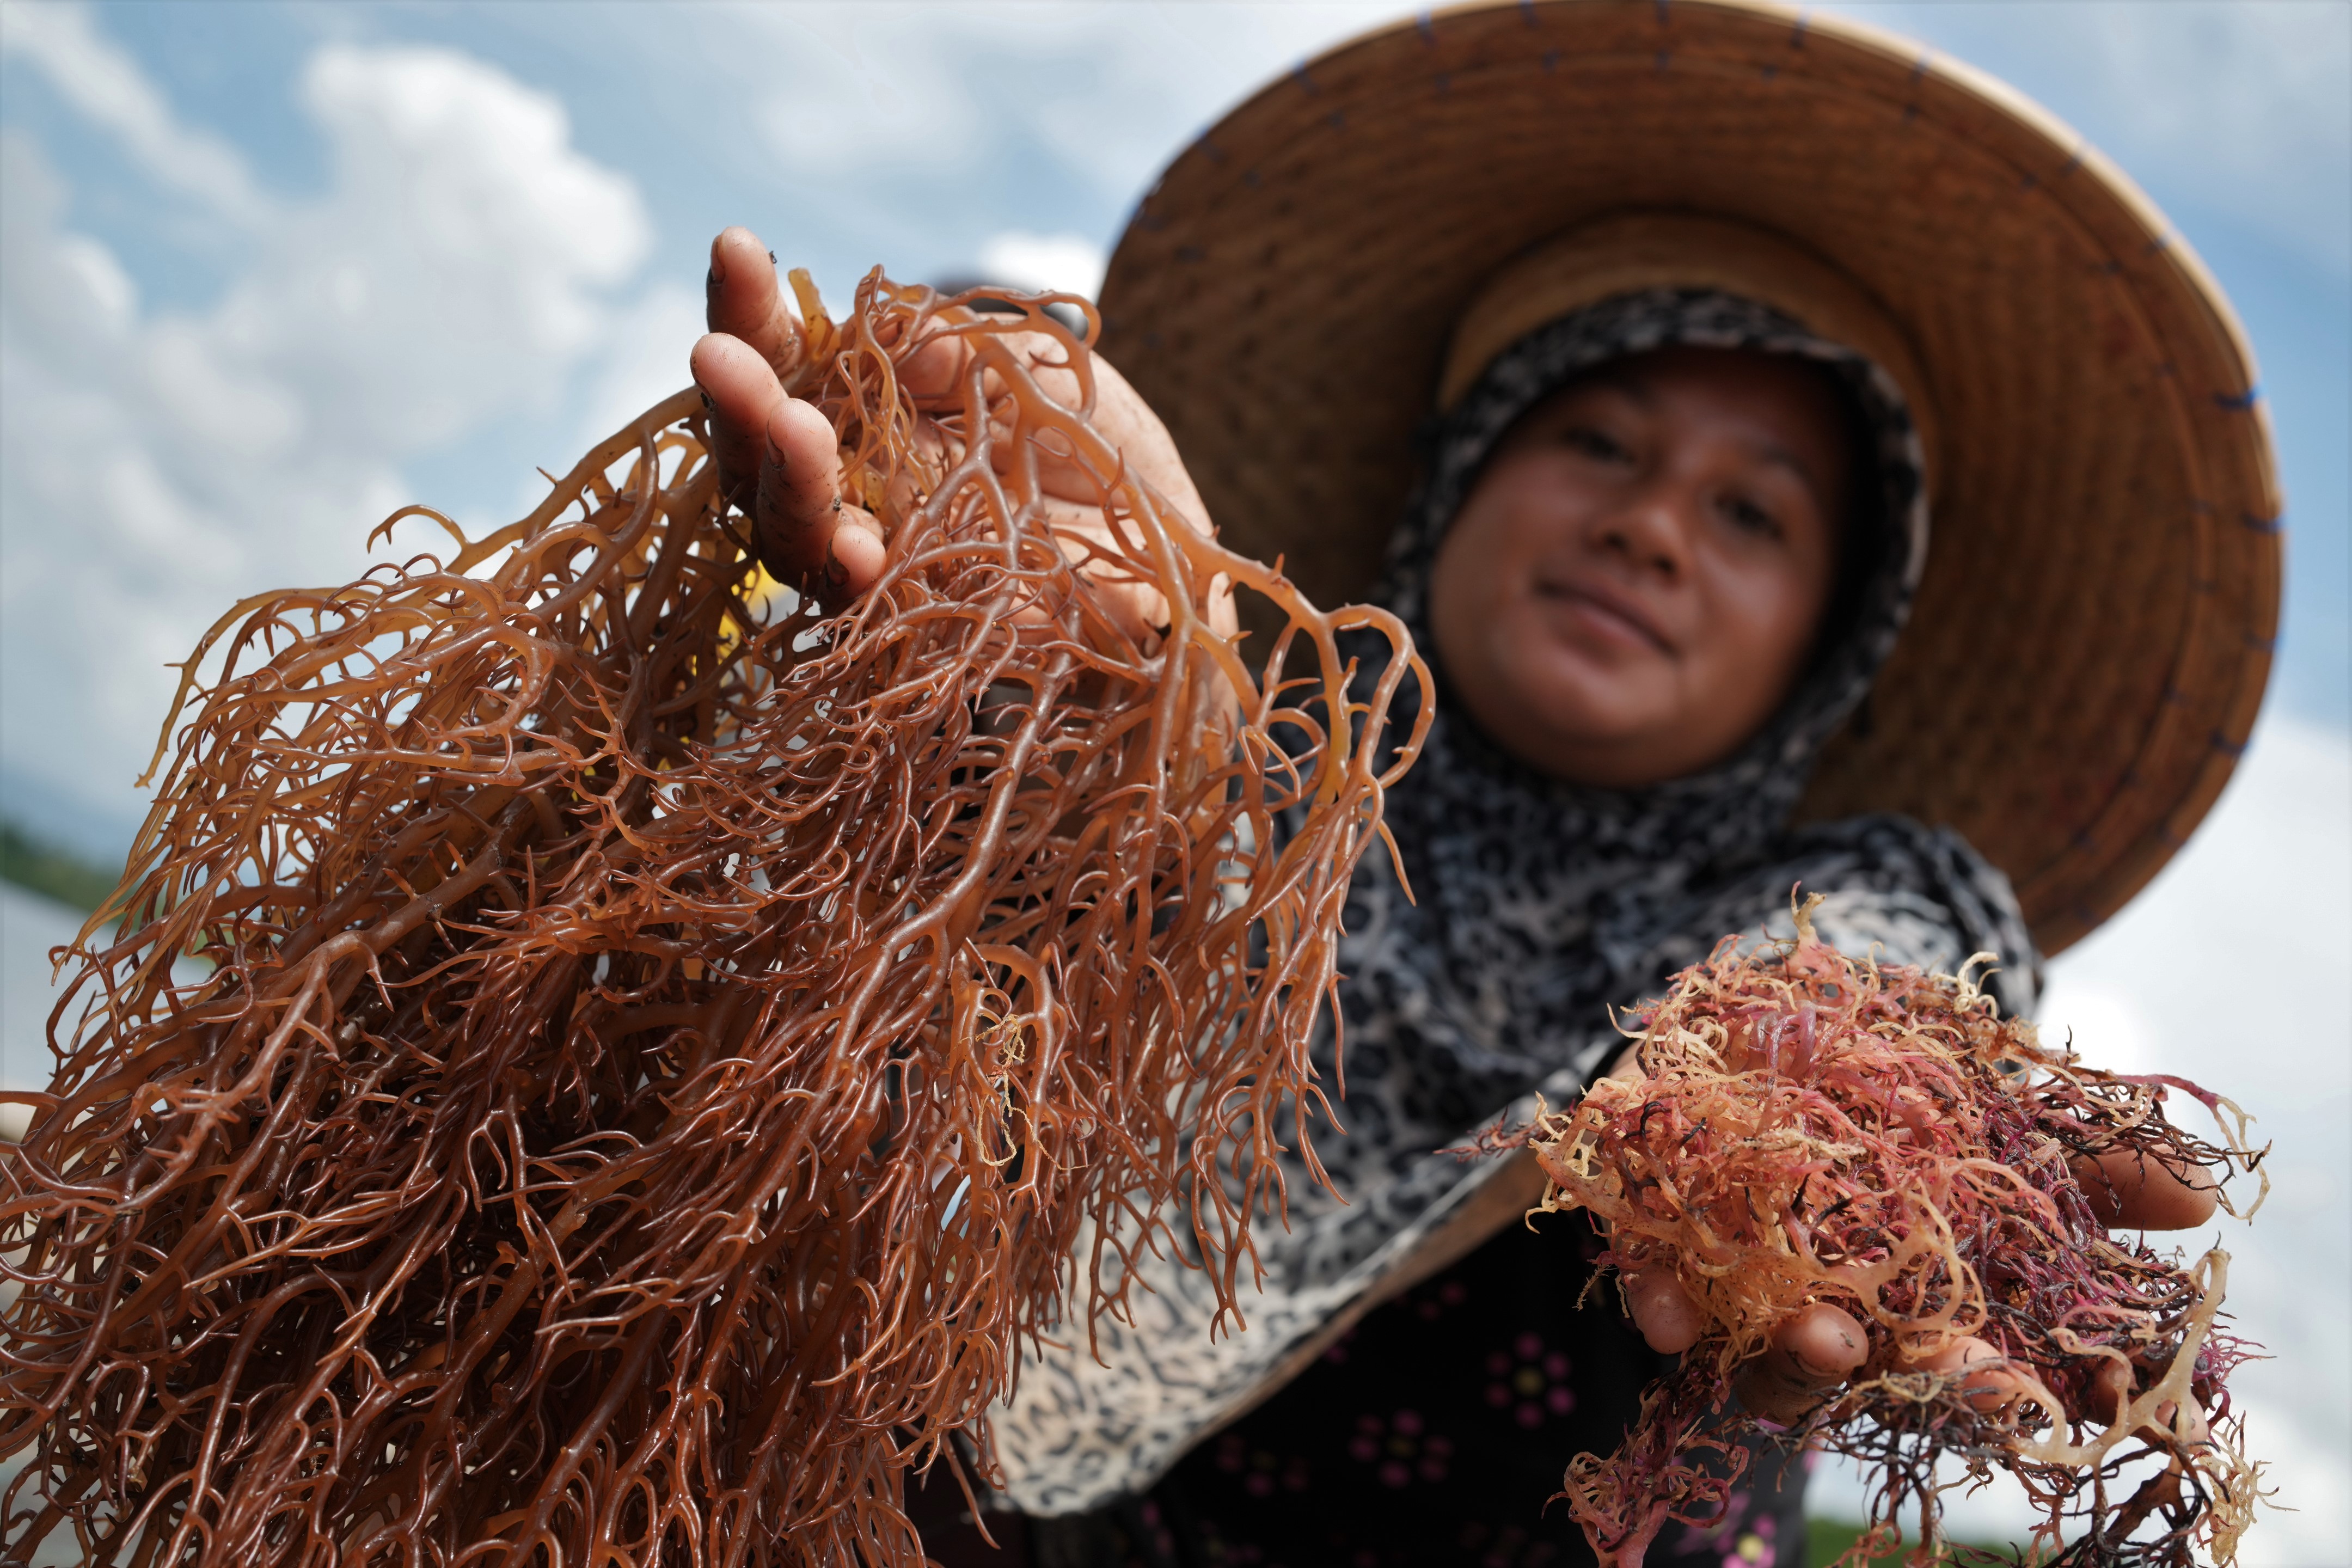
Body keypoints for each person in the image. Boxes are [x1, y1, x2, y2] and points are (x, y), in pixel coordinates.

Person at [688, 4, 2280, 1564]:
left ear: (1829, 644)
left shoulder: (1835, 926)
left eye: (1753, 515)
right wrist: (1070, 685)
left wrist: (1834, 1092)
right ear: (1458, 478)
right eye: (1596, 439)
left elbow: (1871, 958)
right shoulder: (1181, 780)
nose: (1653, 525)